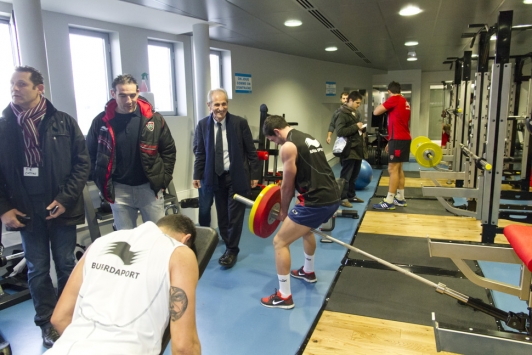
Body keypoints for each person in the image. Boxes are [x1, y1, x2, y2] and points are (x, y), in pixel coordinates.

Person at [0, 66, 90, 348]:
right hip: (26, 210)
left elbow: (82, 163)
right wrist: (4, 209)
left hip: (60, 207)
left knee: (65, 264)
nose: (15, 88)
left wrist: (64, 200)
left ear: (39, 88)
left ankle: (70, 316)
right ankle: (48, 324)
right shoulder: (3, 128)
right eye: (12, 84)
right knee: (38, 269)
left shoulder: (63, 122)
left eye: (22, 84)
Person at [46, 214, 201, 355]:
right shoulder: (180, 253)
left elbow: (59, 318)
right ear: (186, 239)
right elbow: (184, 347)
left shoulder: (99, 243)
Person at [260, 115, 341, 309]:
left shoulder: (288, 147)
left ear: (277, 132)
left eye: (273, 140)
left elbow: (287, 186)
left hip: (316, 202)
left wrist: (283, 211)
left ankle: (284, 296)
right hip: (332, 196)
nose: (275, 143)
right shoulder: (308, 137)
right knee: (306, 230)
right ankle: (308, 271)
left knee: (279, 242)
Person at [87, 74, 176, 230]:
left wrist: (163, 181)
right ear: (113, 94)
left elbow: (168, 151)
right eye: (122, 95)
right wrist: (102, 182)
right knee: (126, 241)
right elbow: (90, 154)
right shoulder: (101, 122)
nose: (128, 100)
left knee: (157, 237)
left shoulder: (153, 119)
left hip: (149, 189)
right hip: (119, 191)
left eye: (132, 95)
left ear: (137, 92)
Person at [193, 88, 260, 269]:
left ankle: (232, 249)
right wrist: (196, 175)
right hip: (215, 177)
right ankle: (227, 239)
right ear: (209, 105)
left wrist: (255, 175)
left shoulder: (239, 123)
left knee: (234, 216)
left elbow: (250, 151)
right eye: (216, 104)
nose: (221, 108)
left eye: (224, 104)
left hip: (236, 176)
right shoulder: (202, 125)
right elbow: (200, 153)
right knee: (222, 214)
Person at [372, 81, 411, 210]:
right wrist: (390, 140)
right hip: (403, 138)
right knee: (399, 169)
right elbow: (398, 122)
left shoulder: (394, 99)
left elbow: (376, 112)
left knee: (392, 169)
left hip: (398, 139)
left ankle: (389, 201)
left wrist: (383, 103)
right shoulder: (404, 101)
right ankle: (400, 198)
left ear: (389, 91)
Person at [335, 91, 366, 208]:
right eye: (357, 102)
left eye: (359, 103)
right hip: (348, 150)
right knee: (346, 176)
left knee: (354, 175)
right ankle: (342, 198)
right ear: (350, 101)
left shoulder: (355, 113)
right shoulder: (342, 114)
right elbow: (340, 131)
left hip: (357, 149)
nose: (359, 105)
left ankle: (351, 195)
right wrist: (355, 127)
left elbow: (356, 128)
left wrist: (362, 130)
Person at [193, 116, 213, 228]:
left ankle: (227, 236)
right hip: (206, 173)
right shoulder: (202, 124)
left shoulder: (228, 125)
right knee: (205, 206)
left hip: (224, 174)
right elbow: (197, 149)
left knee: (225, 208)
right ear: (209, 105)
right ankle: (205, 232)